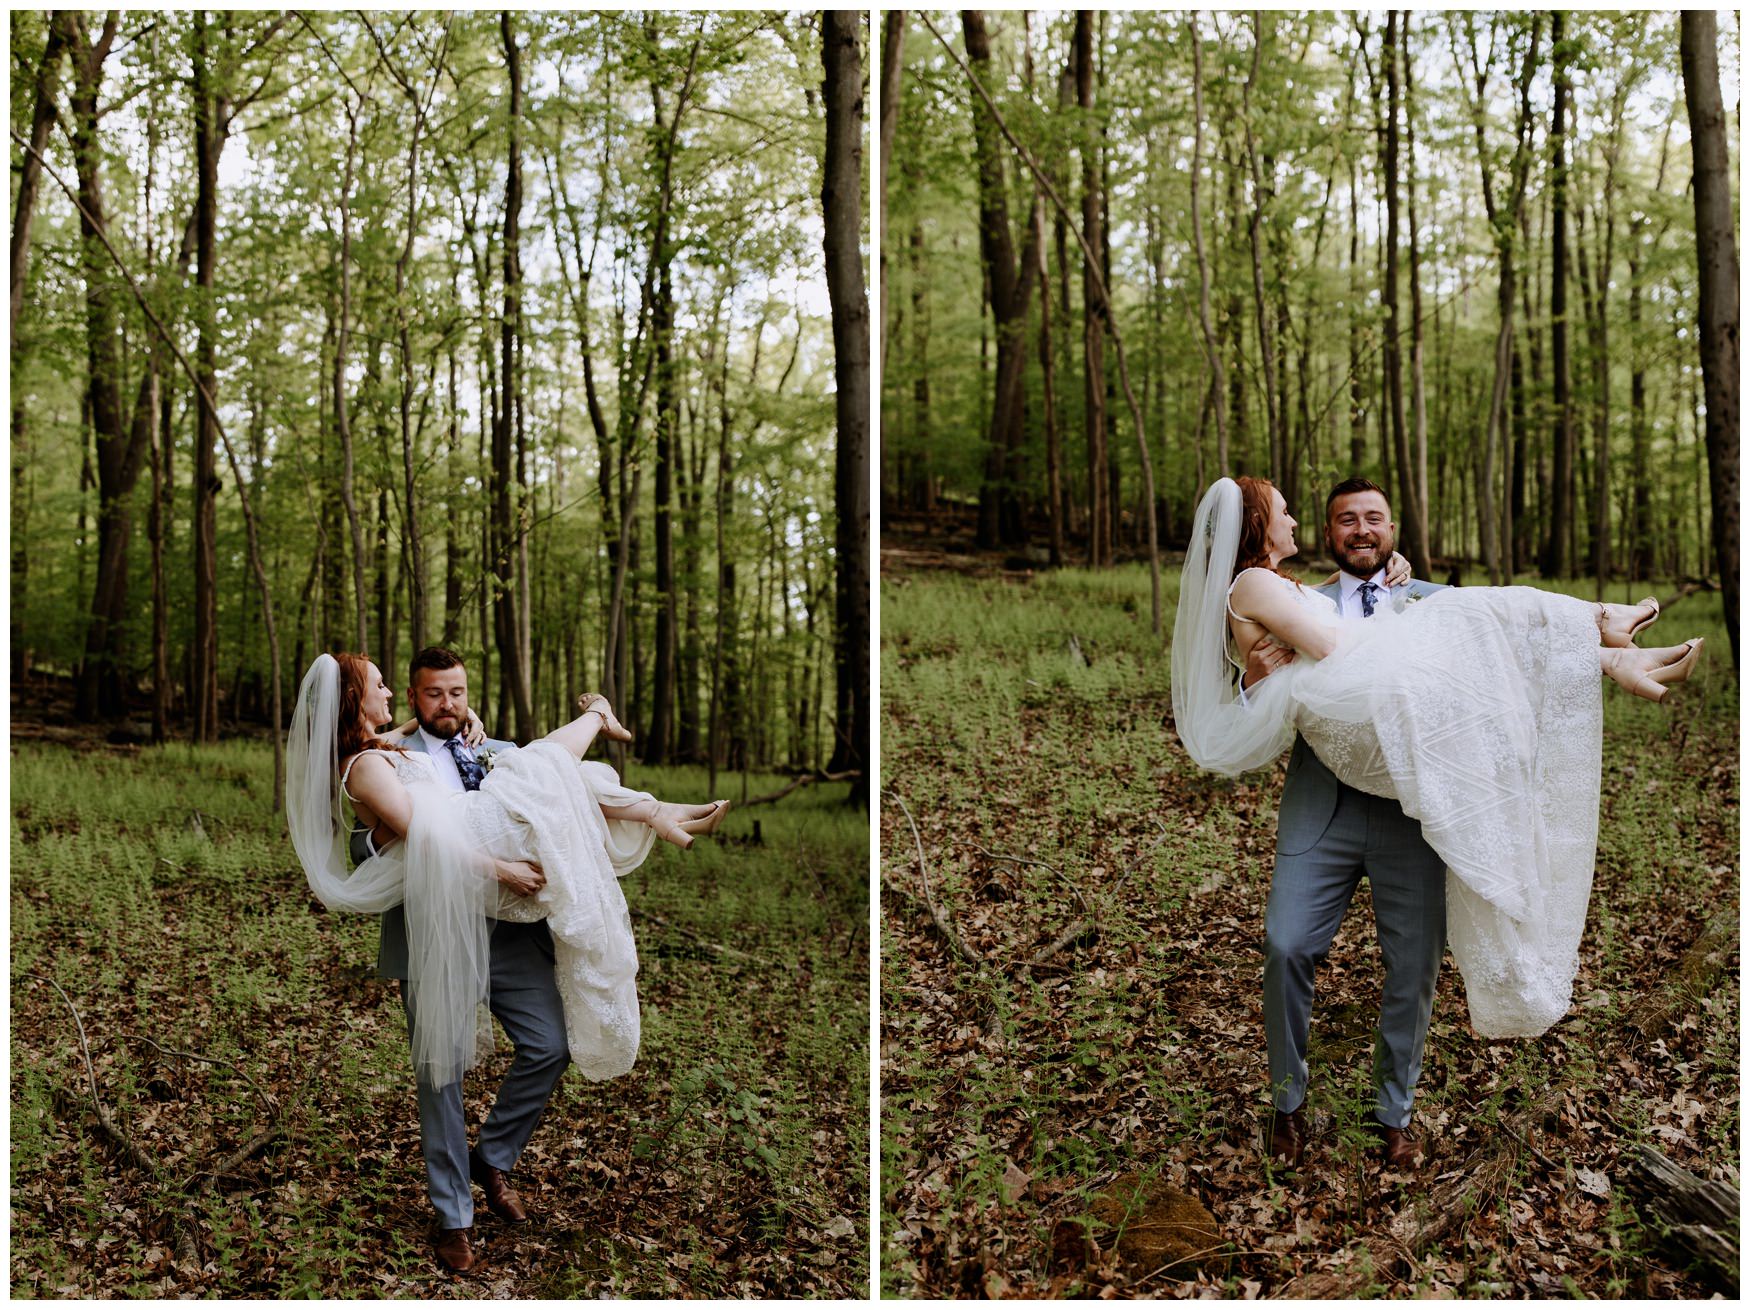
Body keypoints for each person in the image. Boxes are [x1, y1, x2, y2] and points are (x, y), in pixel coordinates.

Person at [1172, 476, 1702, 1169]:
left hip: (1413, 807)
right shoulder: (1294, 597)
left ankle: (1392, 1111)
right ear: (1330, 535)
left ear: (1393, 531)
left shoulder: (1421, 596)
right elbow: (1248, 685)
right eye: (1344, 520)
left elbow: (1491, 667)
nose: (1360, 530)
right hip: (1324, 805)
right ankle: (1286, 1102)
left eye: (1374, 518)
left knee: (1414, 968)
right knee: (1287, 945)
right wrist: (1252, 680)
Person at [285, 647, 726, 1273]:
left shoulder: (473, 745)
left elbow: (534, 800)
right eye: (428, 694)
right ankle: (453, 1217)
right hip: (431, 927)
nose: (446, 704)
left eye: (456, 694)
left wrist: (453, 738)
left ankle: (491, 1157)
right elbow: (391, 837)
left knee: (550, 1043)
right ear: (400, 698)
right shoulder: (373, 761)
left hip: (506, 930)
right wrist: (493, 866)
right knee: (441, 1074)